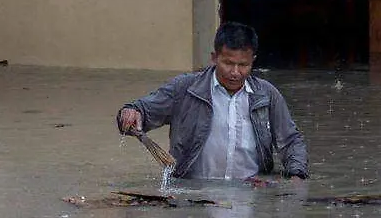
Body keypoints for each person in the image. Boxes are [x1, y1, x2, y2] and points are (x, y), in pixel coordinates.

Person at [116, 22, 309, 181]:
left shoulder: (266, 95)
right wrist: (132, 113)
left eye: (243, 65)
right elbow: (143, 109)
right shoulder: (185, 89)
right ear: (214, 58)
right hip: (193, 195)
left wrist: (296, 178)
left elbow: (291, 141)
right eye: (228, 63)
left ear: (253, 61)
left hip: (251, 194)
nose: (235, 72)